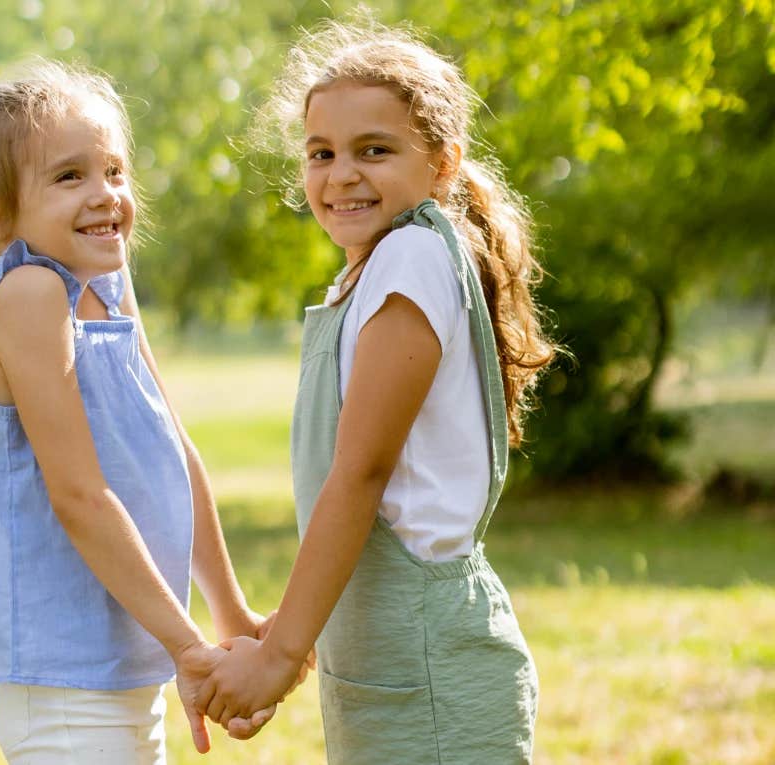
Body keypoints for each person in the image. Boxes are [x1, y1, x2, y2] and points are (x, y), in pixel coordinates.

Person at [196, 20, 557, 763]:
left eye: (375, 150)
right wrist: (296, 636)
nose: (341, 174)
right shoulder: (372, 270)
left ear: (443, 164)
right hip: (388, 661)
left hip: (430, 669)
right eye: (321, 154)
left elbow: (361, 473)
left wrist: (278, 654)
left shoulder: (413, 257)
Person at [0, 60, 275, 763]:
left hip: (124, 675)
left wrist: (229, 613)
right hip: (66, 694)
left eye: (114, 171)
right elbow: (79, 496)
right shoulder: (29, 296)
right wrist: (188, 647)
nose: (106, 195)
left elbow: (172, 446)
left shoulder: (104, 282)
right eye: (70, 176)